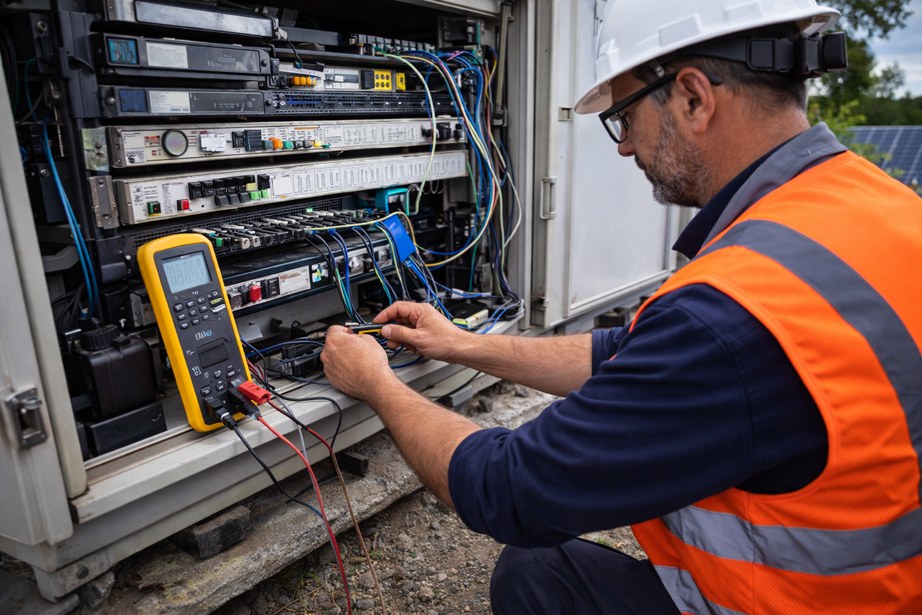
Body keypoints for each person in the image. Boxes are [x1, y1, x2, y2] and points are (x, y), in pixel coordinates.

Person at [321, 0, 922, 612]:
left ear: (693, 98)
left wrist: (376, 384)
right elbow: (629, 353)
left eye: (624, 117)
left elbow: (511, 490)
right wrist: (460, 344)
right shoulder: (881, 209)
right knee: (539, 574)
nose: (624, 147)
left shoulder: (733, 316)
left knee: (535, 563)